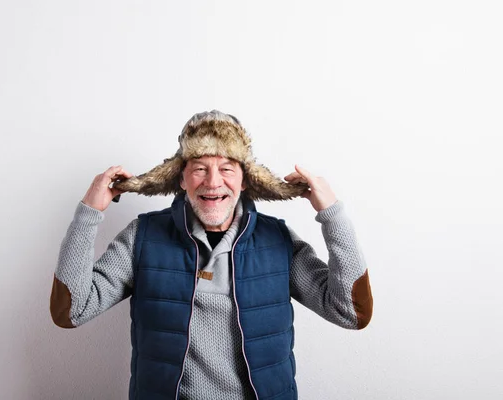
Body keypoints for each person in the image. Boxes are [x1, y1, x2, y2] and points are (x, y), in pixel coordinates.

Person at [50, 110, 373, 400]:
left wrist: (331, 212)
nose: (213, 182)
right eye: (199, 168)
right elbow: (72, 310)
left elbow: (350, 313)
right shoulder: (143, 236)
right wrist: (89, 212)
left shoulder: (277, 240)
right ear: (181, 178)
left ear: (245, 180)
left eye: (227, 169)